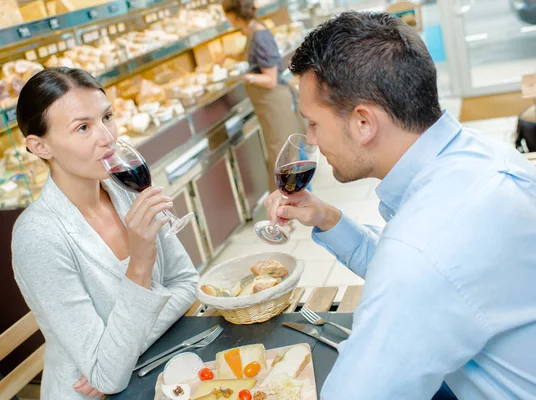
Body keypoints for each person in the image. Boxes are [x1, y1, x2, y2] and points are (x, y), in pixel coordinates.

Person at [265, 11, 536, 400]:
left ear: (363, 123)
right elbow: (441, 277)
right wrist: (328, 219)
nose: (311, 141)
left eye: (312, 123)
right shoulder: (480, 155)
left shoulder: (421, 254)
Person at [11, 67, 199, 399]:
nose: (107, 138)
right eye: (83, 127)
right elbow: (108, 378)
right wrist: (140, 260)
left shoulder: (125, 192)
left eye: (107, 117)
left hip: (153, 371)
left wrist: (118, 357)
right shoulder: (37, 237)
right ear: (40, 147)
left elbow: (187, 282)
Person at [222, 0, 304, 191]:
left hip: (276, 103)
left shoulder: (258, 36)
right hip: (269, 105)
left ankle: (289, 210)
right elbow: (256, 60)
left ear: (232, 15)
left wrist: (244, 76)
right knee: (287, 156)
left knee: (284, 159)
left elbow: (270, 80)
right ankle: (290, 208)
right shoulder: (253, 31)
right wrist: (233, 58)